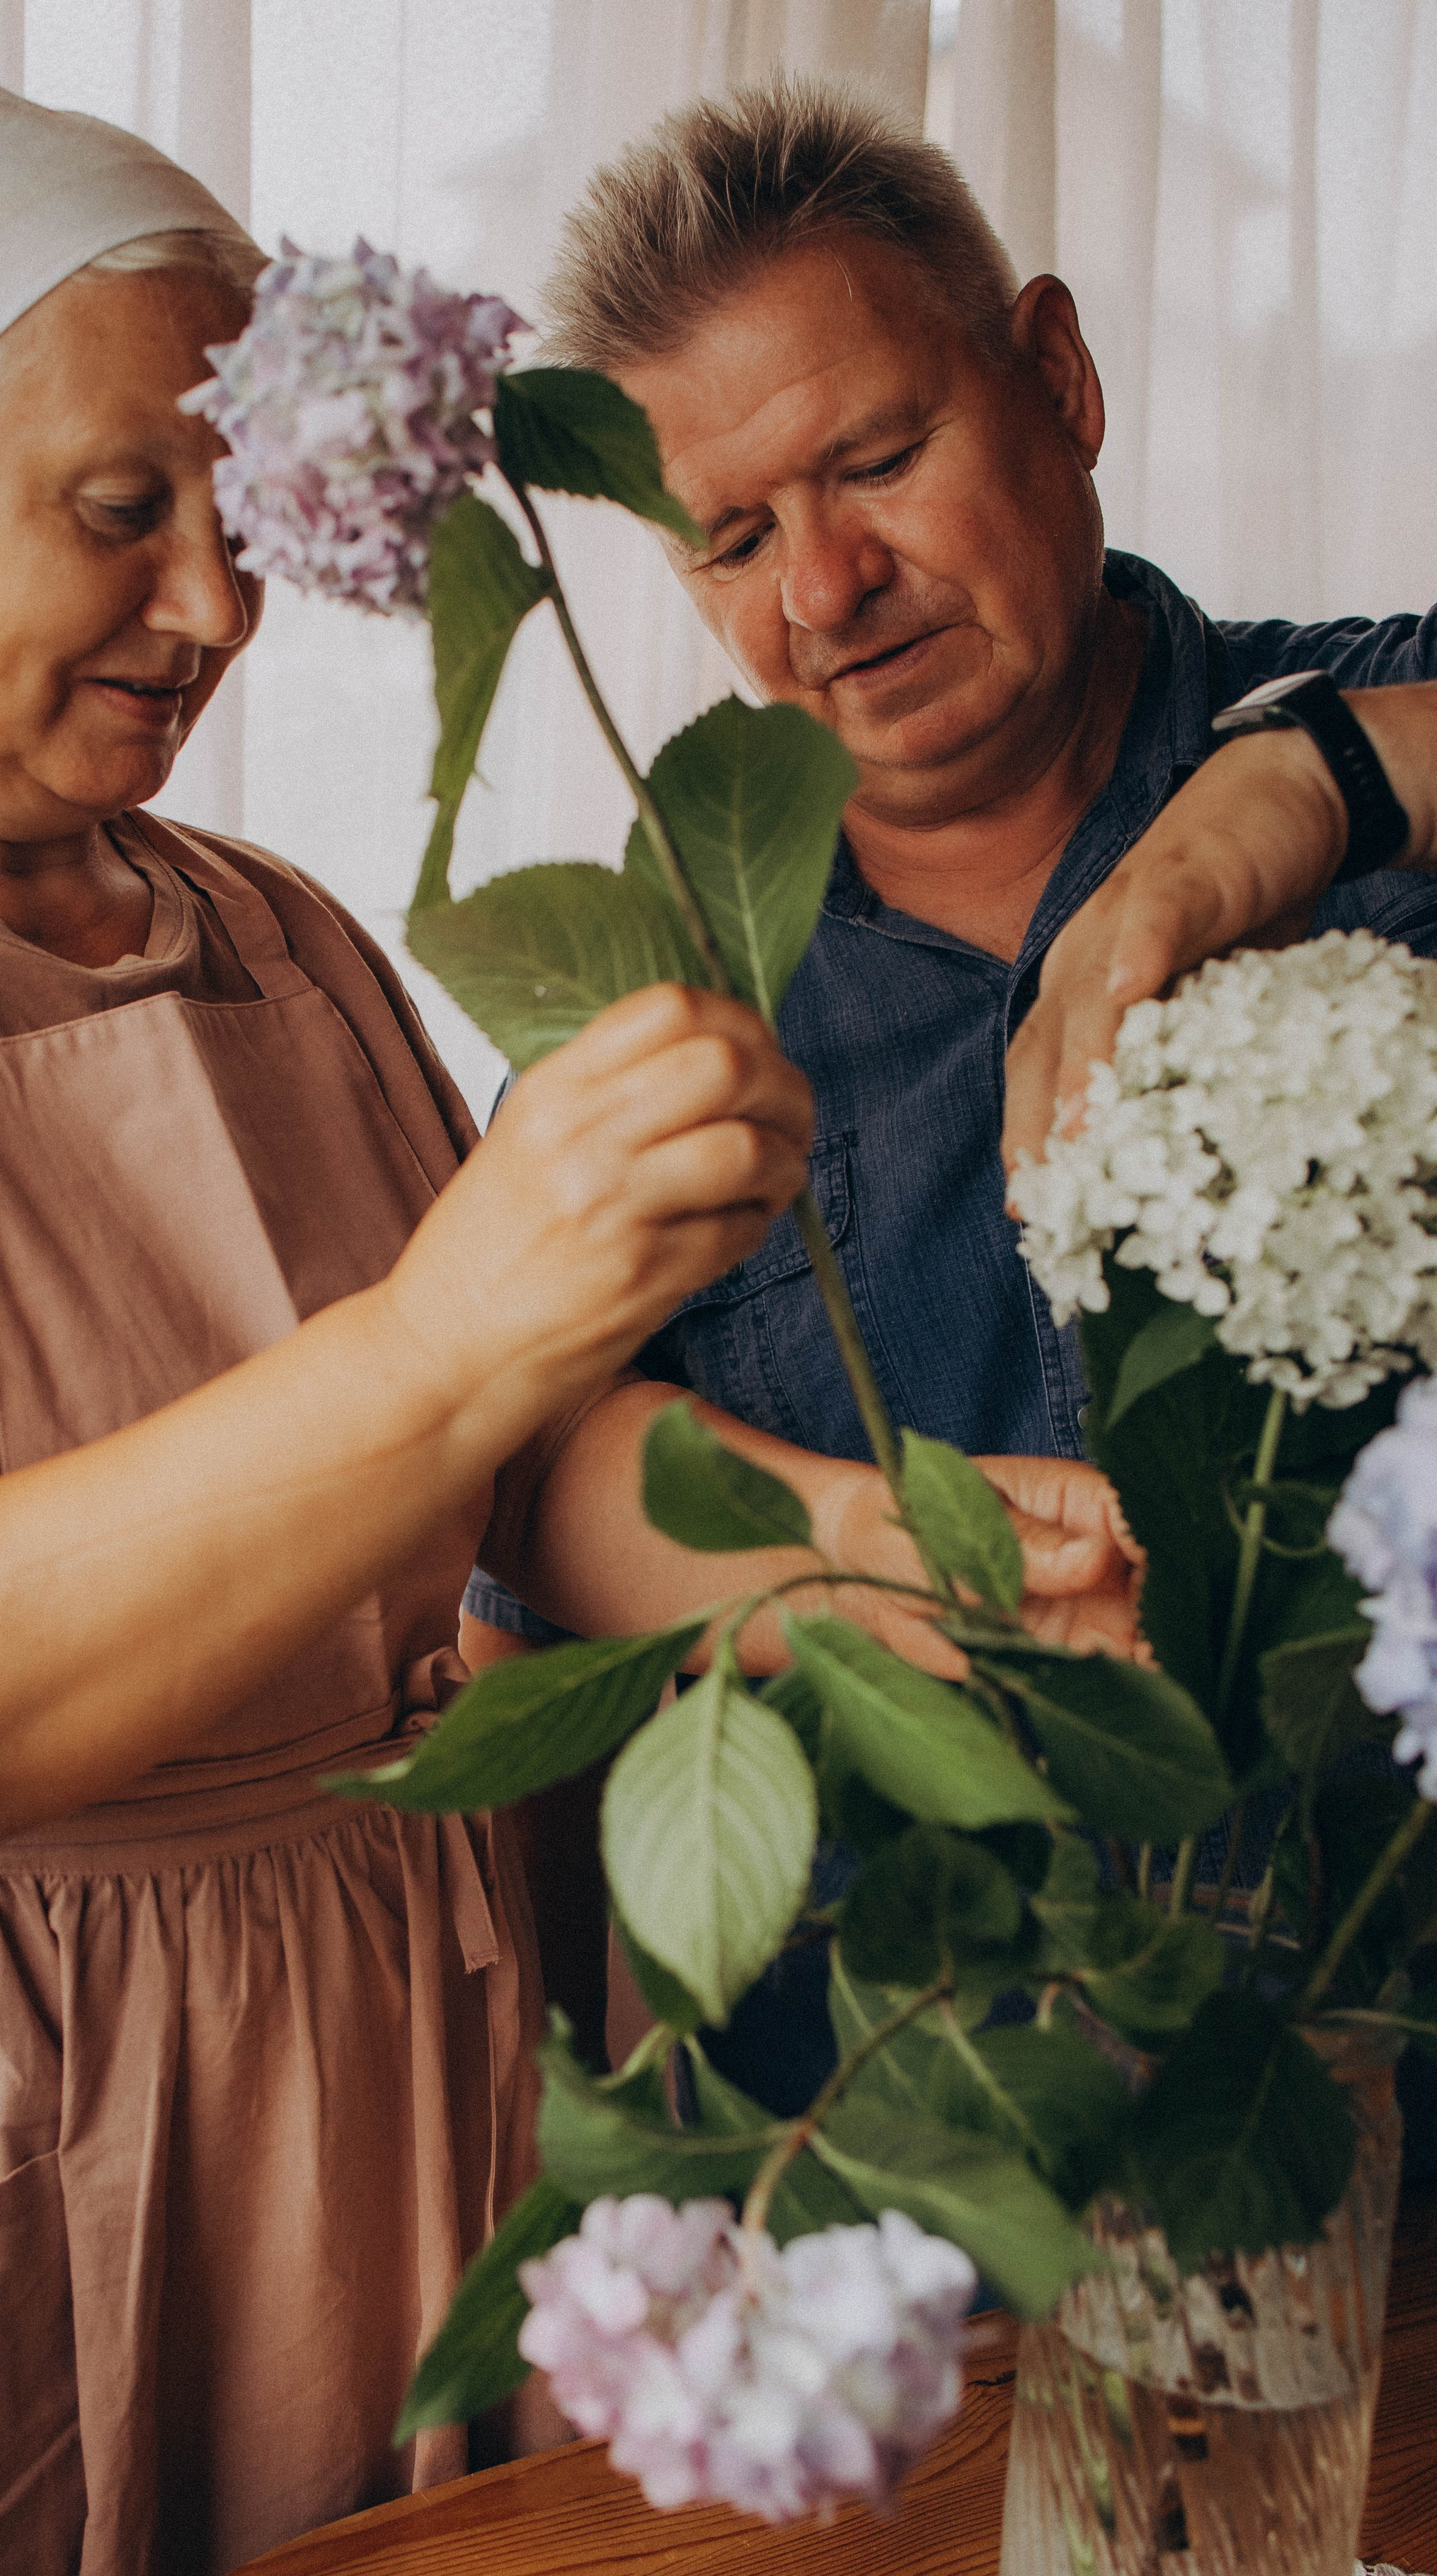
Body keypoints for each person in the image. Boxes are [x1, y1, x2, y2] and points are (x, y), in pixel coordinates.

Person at [0, 77, 1140, 2576]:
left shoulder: (274, 937)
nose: (217, 606)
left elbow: (527, 1477)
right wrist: (446, 1326)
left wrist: (896, 1556)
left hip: (405, 2098)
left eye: (239, 516)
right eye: (124, 509)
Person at [462, 75, 1437, 2105]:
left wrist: (1288, 790)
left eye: (880, 461)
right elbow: (515, 1584)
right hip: (916, 2179)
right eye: (731, 540)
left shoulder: (1375, 733)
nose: (824, 591)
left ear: (1059, 377)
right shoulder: (657, 992)